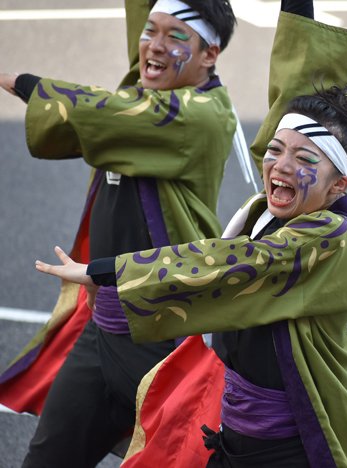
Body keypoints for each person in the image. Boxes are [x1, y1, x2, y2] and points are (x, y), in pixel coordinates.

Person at [36, 4, 347, 467]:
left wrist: (107, 271)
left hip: (291, 444)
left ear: (339, 183)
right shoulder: (273, 205)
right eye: (275, 150)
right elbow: (297, 98)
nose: (280, 165)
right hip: (224, 422)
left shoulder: (330, 238)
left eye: (304, 160)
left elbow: (229, 265)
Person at [0, 0, 237, 466]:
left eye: (175, 37)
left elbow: (101, 111)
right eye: (150, 31)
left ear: (209, 54)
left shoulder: (199, 115)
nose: (154, 45)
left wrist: (15, 80)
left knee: (176, 459)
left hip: (165, 336)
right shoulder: (148, 91)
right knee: (47, 460)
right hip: (102, 329)